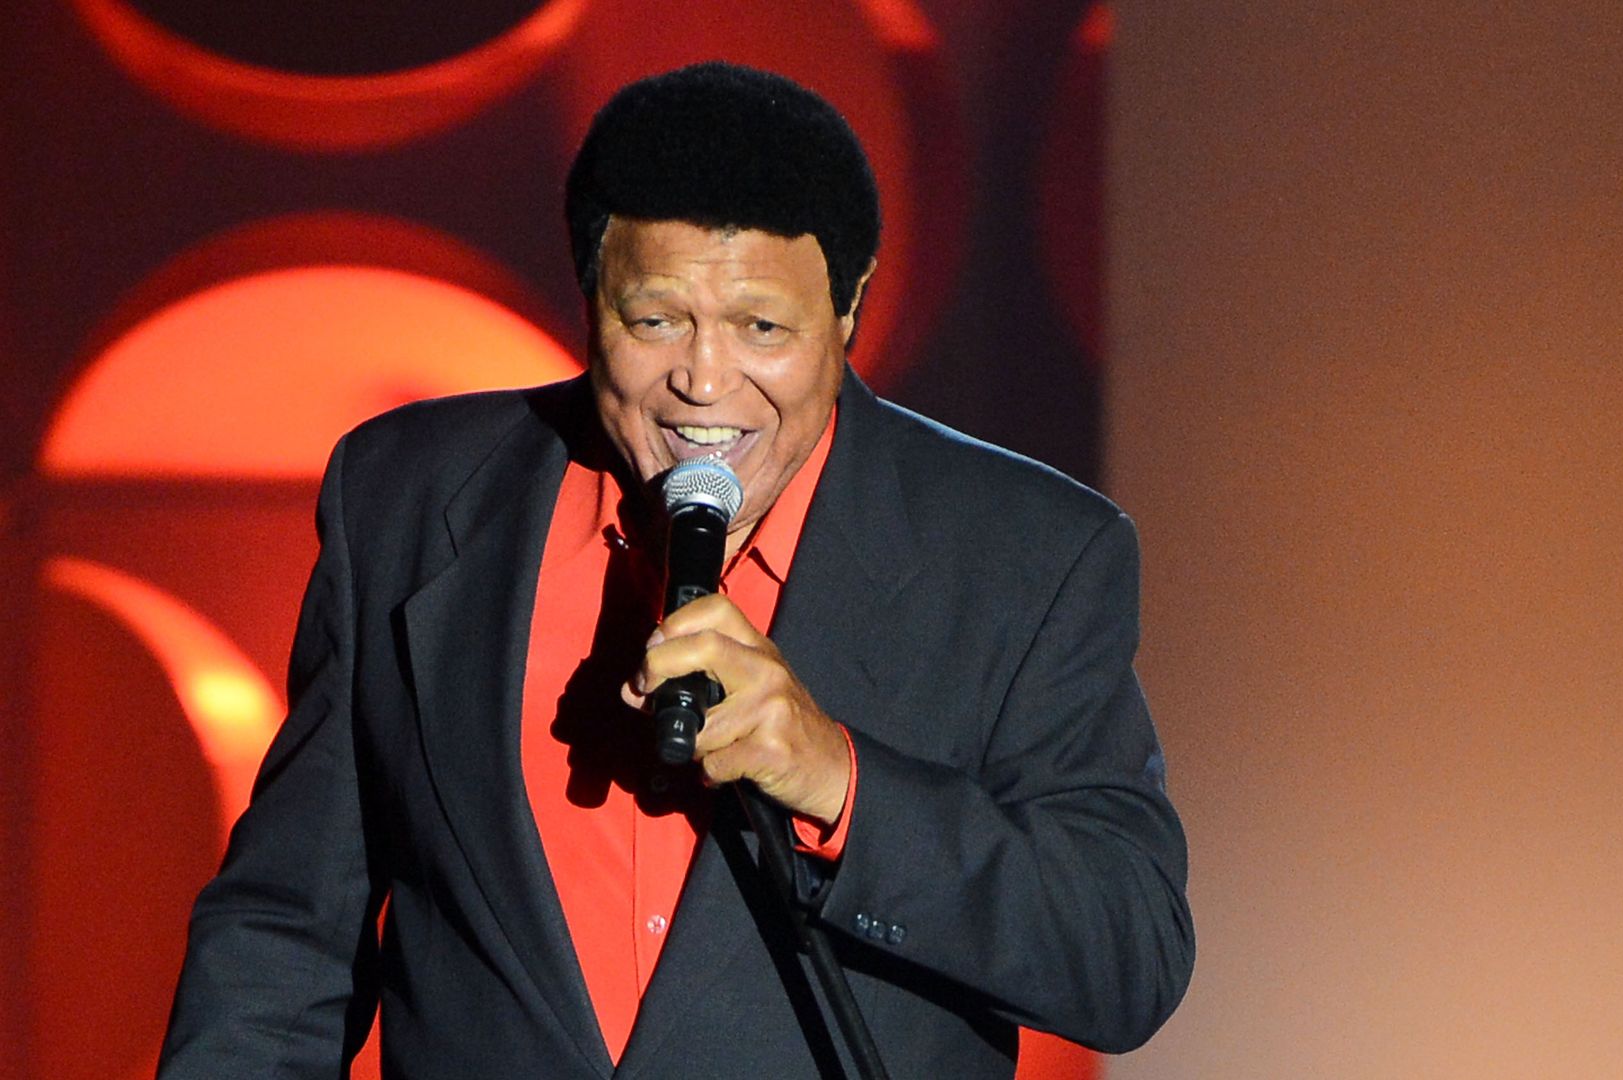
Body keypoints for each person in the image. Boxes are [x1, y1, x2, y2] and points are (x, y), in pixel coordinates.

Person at [159, 61, 1192, 1079]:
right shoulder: (405, 498)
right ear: (590, 296)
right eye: (654, 321)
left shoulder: (1025, 554)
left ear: (850, 307)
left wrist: (840, 783)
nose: (702, 381)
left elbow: (1125, 956)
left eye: (763, 328)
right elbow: (286, 936)